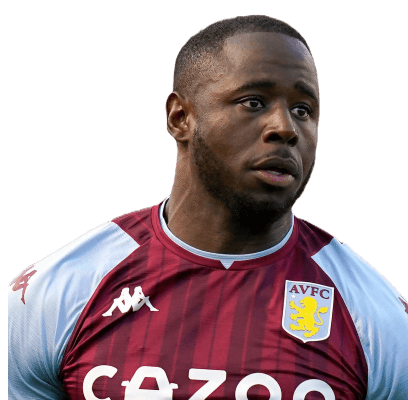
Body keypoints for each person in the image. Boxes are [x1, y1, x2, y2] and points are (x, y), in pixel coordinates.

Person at [8, 15, 408, 400]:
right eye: (254, 102)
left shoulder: (376, 316)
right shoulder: (58, 291)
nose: (285, 128)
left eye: (303, 110)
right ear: (180, 117)